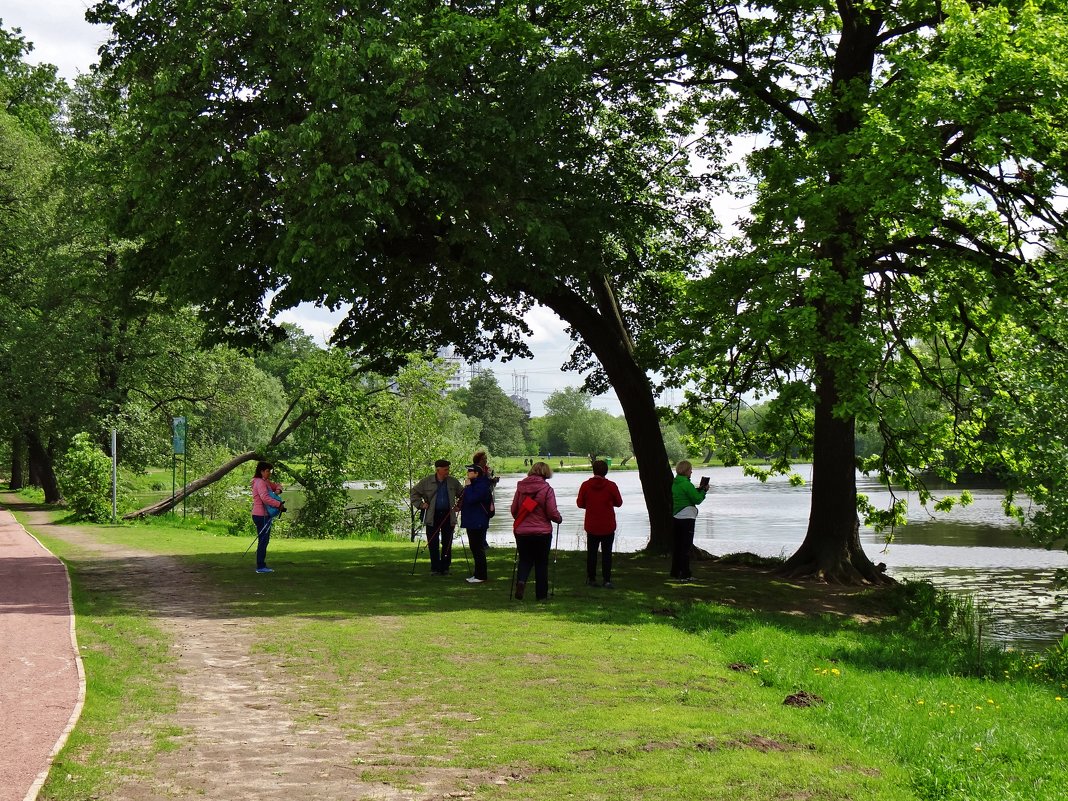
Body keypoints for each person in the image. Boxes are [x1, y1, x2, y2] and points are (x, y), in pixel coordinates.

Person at [510, 461, 562, 601]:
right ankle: (541, 596)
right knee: (541, 562)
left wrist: (521, 521)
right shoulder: (547, 489)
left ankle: (521, 582)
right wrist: (558, 519)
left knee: (525, 560)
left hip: (522, 532)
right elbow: (552, 512)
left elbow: (514, 509)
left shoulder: (520, 488)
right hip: (542, 532)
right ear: (546, 473)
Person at [410, 459, 463, 575]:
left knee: (447, 542)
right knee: (433, 542)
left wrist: (459, 506)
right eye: (445, 470)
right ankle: (435, 568)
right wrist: (420, 504)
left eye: (448, 469)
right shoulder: (426, 481)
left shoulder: (453, 482)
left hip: (448, 515)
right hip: (432, 515)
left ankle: (445, 567)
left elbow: (463, 494)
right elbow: (413, 493)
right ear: (438, 470)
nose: (447, 472)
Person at [576, 460, 623, 588]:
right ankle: (607, 580)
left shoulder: (585, 485)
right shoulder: (611, 486)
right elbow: (619, 502)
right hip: (607, 524)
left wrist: (591, 504)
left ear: (594, 471)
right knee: (607, 554)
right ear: (606, 471)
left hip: (592, 525)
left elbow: (580, 503)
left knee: (592, 553)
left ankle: (591, 579)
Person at [671, 460, 707, 582]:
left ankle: (675, 572)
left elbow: (685, 496)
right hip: (687, 518)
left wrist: (697, 489)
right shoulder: (686, 484)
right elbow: (697, 500)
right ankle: (685, 573)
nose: (691, 471)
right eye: (690, 469)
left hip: (677, 517)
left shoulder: (675, 483)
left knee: (678, 546)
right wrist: (703, 491)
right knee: (685, 547)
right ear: (686, 471)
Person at [460, 464, 494, 583]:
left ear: (477, 473)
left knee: (478, 548)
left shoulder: (482, 485)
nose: (468, 473)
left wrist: (468, 487)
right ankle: (477, 574)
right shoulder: (475, 484)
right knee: (474, 548)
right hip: (471, 520)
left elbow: (472, 499)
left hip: (478, 521)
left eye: (470, 471)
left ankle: (481, 576)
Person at [250, 461, 284, 574]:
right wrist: (278, 504)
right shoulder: (260, 483)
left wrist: (278, 490)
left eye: (270, 471)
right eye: (267, 471)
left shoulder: (266, 482)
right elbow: (264, 498)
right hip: (261, 515)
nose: (269, 473)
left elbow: (277, 485)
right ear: (261, 471)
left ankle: (261, 564)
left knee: (264, 540)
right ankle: (260, 566)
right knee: (263, 541)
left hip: (264, 515)